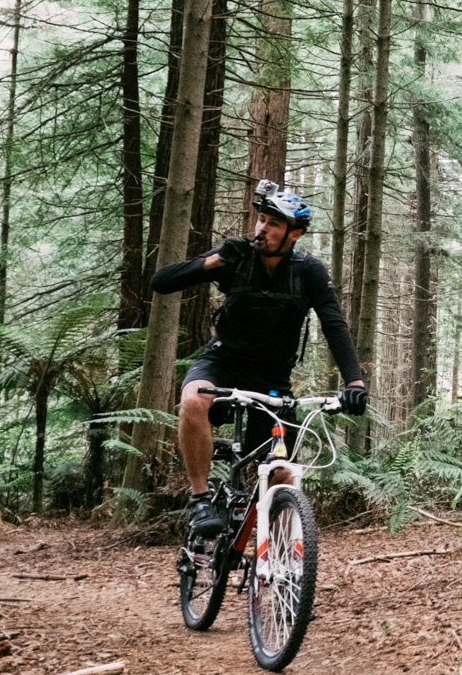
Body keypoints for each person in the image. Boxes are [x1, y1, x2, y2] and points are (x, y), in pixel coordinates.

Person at [150, 181, 368, 536]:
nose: (262, 228)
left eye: (274, 224)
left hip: (272, 380)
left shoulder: (307, 272)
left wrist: (354, 382)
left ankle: (282, 563)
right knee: (192, 401)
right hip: (222, 364)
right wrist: (217, 259)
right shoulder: (235, 260)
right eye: (261, 220)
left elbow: (334, 323)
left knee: (281, 474)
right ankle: (201, 500)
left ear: (294, 235)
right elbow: (161, 282)